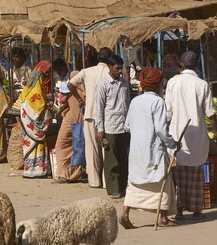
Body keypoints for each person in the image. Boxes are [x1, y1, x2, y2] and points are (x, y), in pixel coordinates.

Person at [166, 50, 217, 221]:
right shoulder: (202, 84)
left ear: (181, 66)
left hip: (177, 135)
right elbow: (210, 112)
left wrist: (165, 131)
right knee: (196, 173)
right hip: (197, 134)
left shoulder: (173, 82)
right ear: (197, 65)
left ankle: (179, 210)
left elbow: (167, 112)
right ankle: (197, 210)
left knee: (178, 172)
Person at [121, 67, 178, 229]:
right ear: (158, 84)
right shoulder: (158, 102)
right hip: (154, 149)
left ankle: (125, 212)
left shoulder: (135, 101)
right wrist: (172, 144)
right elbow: (161, 129)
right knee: (162, 181)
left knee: (135, 182)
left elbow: (127, 126)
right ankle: (164, 218)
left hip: (137, 149)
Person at [67, 47, 112, 189]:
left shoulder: (87, 71)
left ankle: (94, 181)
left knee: (92, 149)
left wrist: (80, 98)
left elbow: (70, 84)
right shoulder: (111, 73)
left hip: (90, 114)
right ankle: (106, 182)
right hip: (107, 115)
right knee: (106, 149)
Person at [95, 54, 130, 199]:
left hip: (124, 126)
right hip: (110, 127)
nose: (120, 71)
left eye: (121, 68)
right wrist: (100, 129)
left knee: (124, 158)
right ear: (109, 67)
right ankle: (113, 189)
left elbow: (127, 103)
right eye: (117, 68)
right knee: (111, 160)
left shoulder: (124, 83)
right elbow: (99, 108)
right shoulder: (102, 85)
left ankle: (123, 187)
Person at [20, 60, 53, 178]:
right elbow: (39, 106)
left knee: (31, 144)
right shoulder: (36, 93)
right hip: (34, 123)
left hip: (27, 122)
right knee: (36, 144)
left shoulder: (26, 92)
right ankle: (37, 170)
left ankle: (32, 170)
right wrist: (48, 106)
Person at [54, 70, 85, 183]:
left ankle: (69, 174)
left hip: (76, 120)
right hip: (75, 119)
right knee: (72, 146)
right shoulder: (80, 91)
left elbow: (62, 102)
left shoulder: (78, 91)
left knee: (71, 147)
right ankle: (69, 173)